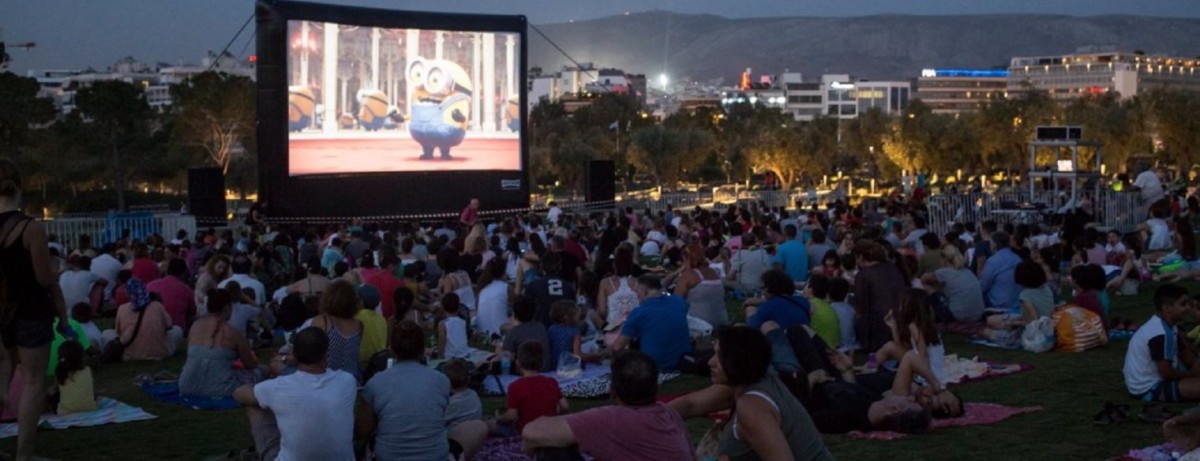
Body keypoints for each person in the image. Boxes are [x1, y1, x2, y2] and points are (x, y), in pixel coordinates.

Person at [669, 326, 835, 461]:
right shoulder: (754, 380)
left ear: (738, 362)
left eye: (720, 356)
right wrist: (648, 416)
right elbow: (691, 405)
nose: (711, 362)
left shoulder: (752, 408)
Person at [523, 351, 694, 460]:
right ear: (656, 388)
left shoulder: (612, 419)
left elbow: (531, 432)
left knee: (553, 453)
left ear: (612, 391)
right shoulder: (670, 414)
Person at [234, 327, 359, 461]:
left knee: (254, 406)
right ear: (326, 353)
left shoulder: (279, 386)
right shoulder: (347, 381)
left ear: (295, 353)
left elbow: (239, 394)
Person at [1123, 284, 1200, 404]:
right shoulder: (1160, 334)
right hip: (1148, 388)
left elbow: (1188, 358)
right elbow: (1166, 373)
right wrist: (1190, 375)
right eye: (1182, 304)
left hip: (1156, 381)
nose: (1187, 309)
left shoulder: (1170, 326)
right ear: (1167, 308)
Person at [179, 288, 260, 398]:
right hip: (221, 388)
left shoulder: (195, 326)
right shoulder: (233, 332)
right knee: (259, 372)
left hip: (186, 385)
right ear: (227, 308)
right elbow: (250, 364)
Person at [610, 275, 692, 373]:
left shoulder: (639, 313)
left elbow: (617, 347)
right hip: (683, 360)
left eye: (637, 293)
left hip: (654, 366)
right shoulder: (679, 302)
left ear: (644, 290)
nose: (638, 297)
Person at [869, 289, 946, 386]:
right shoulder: (924, 321)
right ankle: (868, 367)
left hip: (928, 370)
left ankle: (869, 368)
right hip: (929, 365)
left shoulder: (914, 326)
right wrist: (893, 326)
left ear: (909, 306)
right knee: (891, 346)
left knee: (889, 346)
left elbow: (923, 354)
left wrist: (923, 376)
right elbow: (899, 347)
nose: (899, 306)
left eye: (902, 303)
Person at [490, 341, 567, 435]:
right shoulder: (551, 382)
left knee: (491, 426)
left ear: (518, 363)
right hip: (549, 429)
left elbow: (511, 415)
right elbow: (565, 406)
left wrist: (499, 418)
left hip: (526, 431)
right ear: (542, 362)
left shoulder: (515, 386)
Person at [102, 278, 182, 360]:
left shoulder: (122, 308)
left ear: (127, 294)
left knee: (106, 333)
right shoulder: (157, 305)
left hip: (130, 355)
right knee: (177, 330)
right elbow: (169, 326)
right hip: (160, 353)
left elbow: (118, 332)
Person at [852, 240, 907, 352]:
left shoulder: (863, 276)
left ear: (861, 257)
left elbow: (860, 308)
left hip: (878, 329)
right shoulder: (892, 268)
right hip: (901, 322)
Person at [307, 280, 364, 382]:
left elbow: (310, 354)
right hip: (353, 380)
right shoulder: (359, 325)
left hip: (327, 380)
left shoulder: (323, 321)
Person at [920, 245, 985, 323]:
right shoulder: (968, 272)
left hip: (958, 316)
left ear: (944, 259)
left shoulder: (944, 272)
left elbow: (923, 279)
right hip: (978, 314)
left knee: (926, 286)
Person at [674, 243, 728, 328]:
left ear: (688, 258)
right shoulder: (714, 272)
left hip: (699, 323)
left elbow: (676, 302)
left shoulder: (688, 275)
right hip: (721, 320)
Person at [744, 269, 812, 330]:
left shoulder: (769, 306)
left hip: (783, 342)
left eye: (763, 288)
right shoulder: (803, 301)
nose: (763, 291)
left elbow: (753, 327)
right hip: (804, 340)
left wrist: (750, 309)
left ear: (768, 288)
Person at [499, 295, 552, 372]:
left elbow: (506, 361)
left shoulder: (513, 333)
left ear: (514, 314)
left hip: (525, 372)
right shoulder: (541, 327)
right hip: (545, 369)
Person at [525, 252, 576, 328]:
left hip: (540, 331)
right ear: (560, 267)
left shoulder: (532, 286)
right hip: (564, 330)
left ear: (541, 266)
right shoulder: (568, 286)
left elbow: (526, 313)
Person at [147, 258, 197, 331]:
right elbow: (193, 311)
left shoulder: (150, 285)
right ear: (183, 273)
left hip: (151, 328)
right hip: (176, 330)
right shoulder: (186, 290)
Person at [979, 231, 1022, 313]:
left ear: (994, 244)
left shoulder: (993, 261)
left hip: (998, 303)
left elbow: (984, 285)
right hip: (1018, 301)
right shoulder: (1017, 258)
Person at [54, 341, 96, 415]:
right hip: (90, 408)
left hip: (65, 412)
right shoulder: (88, 370)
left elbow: (55, 389)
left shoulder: (61, 373)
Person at [475, 257, 512, 338]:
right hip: (501, 332)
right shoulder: (506, 287)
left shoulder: (482, 288)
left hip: (482, 332)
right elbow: (519, 308)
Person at [805, 274, 841, 348]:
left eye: (806, 285)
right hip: (835, 346)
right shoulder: (828, 306)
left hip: (822, 349)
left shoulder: (809, 305)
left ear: (810, 288)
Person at [438, 293, 471, 360]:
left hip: (450, 357)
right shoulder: (463, 321)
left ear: (443, 307)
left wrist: (439, 356)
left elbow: (442, 342)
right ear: (458, 306)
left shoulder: (443, 324)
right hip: (465, 354)